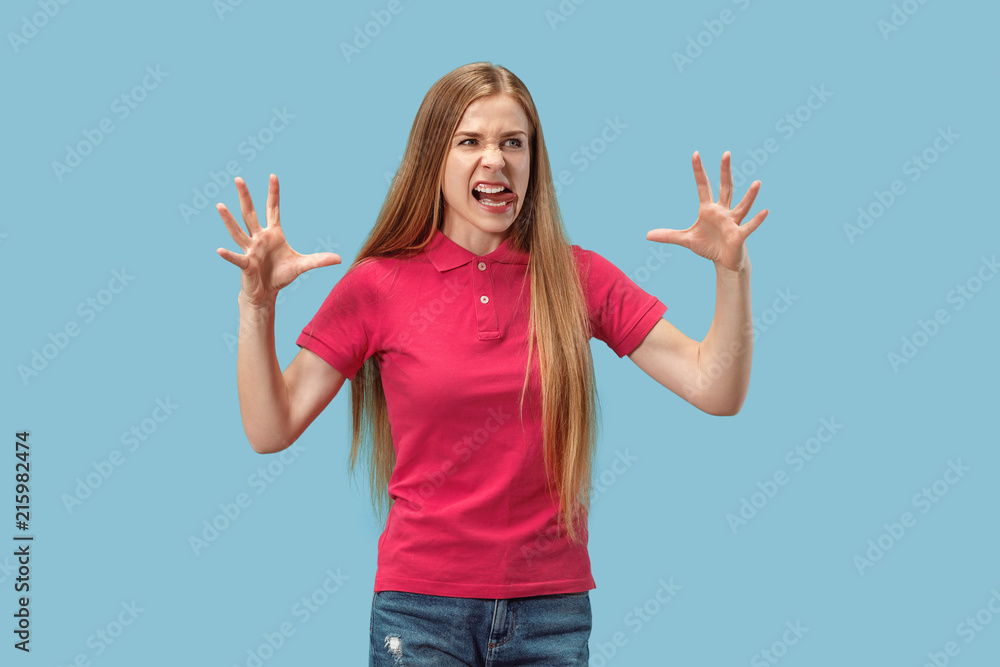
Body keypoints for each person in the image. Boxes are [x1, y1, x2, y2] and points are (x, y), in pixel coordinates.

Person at [215, 61, 767, 666]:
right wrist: (257, 306)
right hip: (420, 607)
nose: (495, 160)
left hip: (550, 611)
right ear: (435, 159)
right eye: (470, 141)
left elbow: (715, 388)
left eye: (513, 143)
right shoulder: (379, 285)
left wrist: (732, 274)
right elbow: (271, 427)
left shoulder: (575, 278)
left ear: (533, 161)